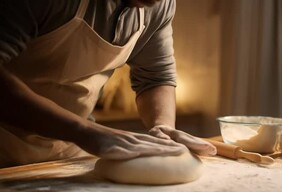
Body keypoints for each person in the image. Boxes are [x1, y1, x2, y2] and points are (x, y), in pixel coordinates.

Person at [0, 0, 216, 167]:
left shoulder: (159, 6)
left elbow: (156, 78)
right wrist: (85, 131)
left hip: (67, 153)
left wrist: (163, 126)